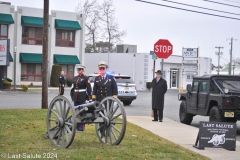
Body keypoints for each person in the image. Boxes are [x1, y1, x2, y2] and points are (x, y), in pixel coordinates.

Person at [70, 64, 91, 131]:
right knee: (76, 112)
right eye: (78, 70)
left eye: (80, 70)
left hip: (82, 96)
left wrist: (89, 96)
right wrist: (72, 95)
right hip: (76, 96)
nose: (79, 71)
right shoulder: (75, 78)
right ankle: (76, 126)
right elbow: (72, 88)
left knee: (82, 112)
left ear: (83, 70)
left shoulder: (85, 78)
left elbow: (89, 88)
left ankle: (81, 127)